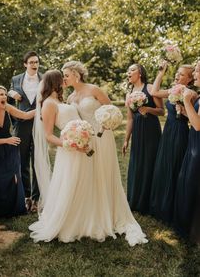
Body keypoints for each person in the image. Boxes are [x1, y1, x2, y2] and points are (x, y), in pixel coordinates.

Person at [61, 62, 148, 245]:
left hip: (102, 137)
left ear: (76, 74)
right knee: (88, 175)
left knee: (102, 172)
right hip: (85, 139)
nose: (64, 78)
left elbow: (112, 111)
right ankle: (90, 211)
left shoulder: (94, 89)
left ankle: (108, 210)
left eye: (66, 74)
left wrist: (103, 127)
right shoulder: (70, 98)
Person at [149, 62, 195, 223]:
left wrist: (183, 110)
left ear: (189, 80)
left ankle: (170, 208)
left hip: (180, 132)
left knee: (174, 166)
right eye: (177, 73)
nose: (177, 75)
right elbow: (154, 91)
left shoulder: (191, 94)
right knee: (163, 163)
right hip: (168, 131)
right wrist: (161, 73)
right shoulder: (173, 89)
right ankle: (158, 205)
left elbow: (194, 119)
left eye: (182, 74)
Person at [0, 85, 35, 220]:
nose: (5, 97)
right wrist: (6, 140)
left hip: (10, 149)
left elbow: (26, 115)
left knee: (14, 179)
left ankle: (15, 210)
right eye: (1, 94)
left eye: (5, 94)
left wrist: (42, 107)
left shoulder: (7, 108)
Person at [122, 64, 164, 214]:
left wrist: (148, 109)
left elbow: (161, 111)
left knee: (150, 162)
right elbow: (130, 119)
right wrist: (127, 139)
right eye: (128, 70)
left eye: (132, 69)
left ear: (140, 73)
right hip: (138, 132)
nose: (129, 72)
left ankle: (149, 203)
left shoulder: (151, 87)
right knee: (137, 164)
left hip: (151, 130)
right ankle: (135, 200)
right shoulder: (129, 93)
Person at [8, 51, 43, 213]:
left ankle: (36, 198)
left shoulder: (44, 79)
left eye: (36, 62)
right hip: (21, 125)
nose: (34, 65)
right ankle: (26, 196)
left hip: (39, 123)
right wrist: (11, 93)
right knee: (21, 160)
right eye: (31, 62)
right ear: (25, 64)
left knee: (37, 159)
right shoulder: (16, 79)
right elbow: (6, 98)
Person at [173, 61, 200, 244]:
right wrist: (184, 111)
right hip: (194, 143)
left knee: (192, 182)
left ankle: (192, 228)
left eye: (197, 71)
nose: (195, 74)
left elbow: (198, 126)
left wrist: (186, 101)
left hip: (198, 146)